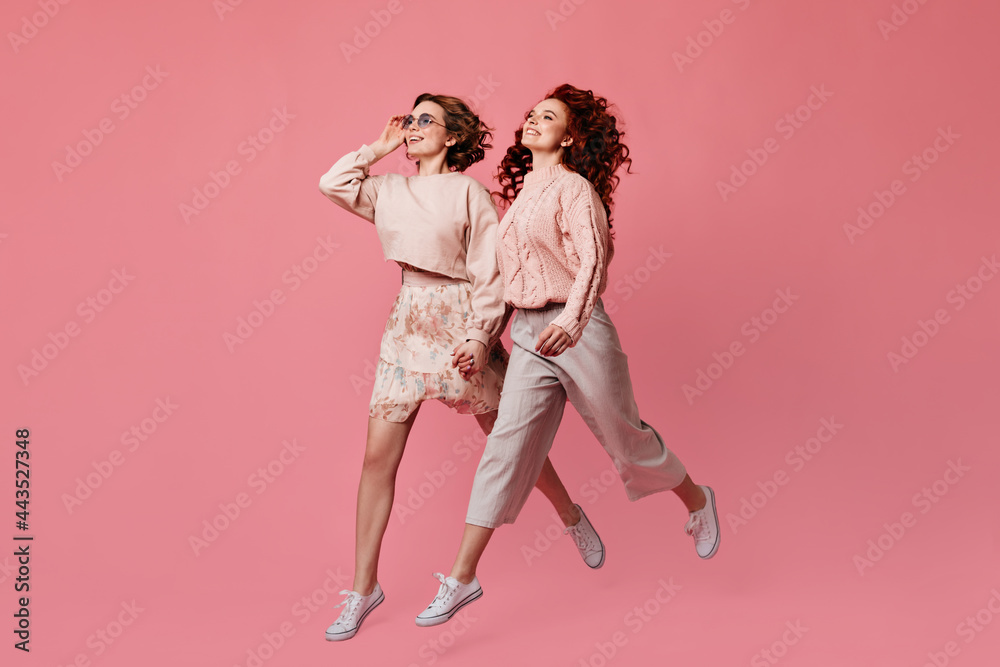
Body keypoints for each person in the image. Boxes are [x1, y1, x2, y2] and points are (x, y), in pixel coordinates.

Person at [415, 85, 720, 627]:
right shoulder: (518, 200)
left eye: (547, 117)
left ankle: (698, 501)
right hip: (529, 336)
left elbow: (592, 264)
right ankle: (463, 577)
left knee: (624, 437)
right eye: (531, 114)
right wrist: (485, 339)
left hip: (578, 330)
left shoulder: (575, 189)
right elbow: (510, 283)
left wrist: (571, 322)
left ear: (570, 135)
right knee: (505, 447)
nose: (532, 121)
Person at [317, 93, 605, 641]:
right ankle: (362, 589)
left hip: (459, 322)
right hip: (406, 324)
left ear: (452, 137)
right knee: (377, 459)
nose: (413, 126)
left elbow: (488, 275)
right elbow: (332, 183)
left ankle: (569, 514)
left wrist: (480, 336)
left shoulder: (469, 193)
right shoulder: (387, 189)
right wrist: (377, 147)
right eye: (411, 118)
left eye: (427, 120)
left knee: (508, 443)